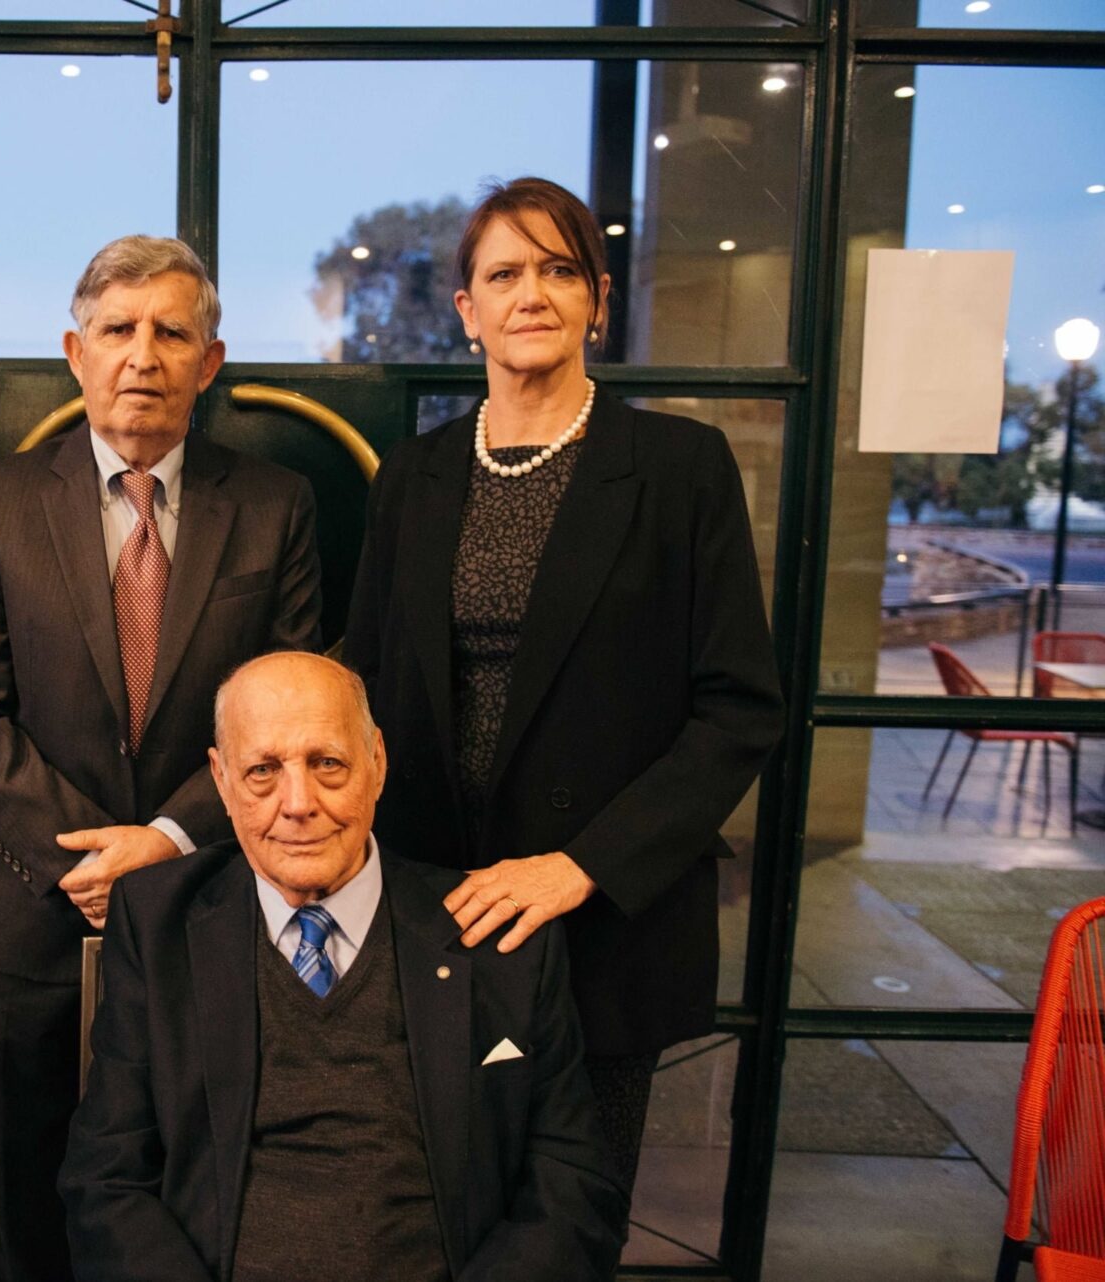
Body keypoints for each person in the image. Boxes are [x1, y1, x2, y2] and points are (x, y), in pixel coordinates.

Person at [343, 176, 785, 1209]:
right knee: (426, 1205)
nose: (529, 292)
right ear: (467, 311)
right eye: (503, 273)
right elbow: (362, 681)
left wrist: (583, 865)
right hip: (435, 908)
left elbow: (738, 709)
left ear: (597, 296)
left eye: (556, 269)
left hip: (601, 919)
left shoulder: (680, 468)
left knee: (570, 1216)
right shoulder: (413, 475)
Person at [0, 234, 322, 1282]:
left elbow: (287, 720)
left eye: (170, 331)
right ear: (74, 350)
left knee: (191, 1190)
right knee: (29, 1198)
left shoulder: (277, 507)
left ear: (211, 358)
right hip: (30, 910)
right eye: (117, 329)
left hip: (208, 904)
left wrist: (161, 840)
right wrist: (86, 859)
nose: (142, 355)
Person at [59, 652, 625, 1282]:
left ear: (376, 763)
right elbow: (105, 1178)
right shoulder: (158, 922)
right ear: (220, 780)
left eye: (327, 763)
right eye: (262, 771)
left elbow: (573, 1184)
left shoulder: (492, 935)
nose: (298, 803)